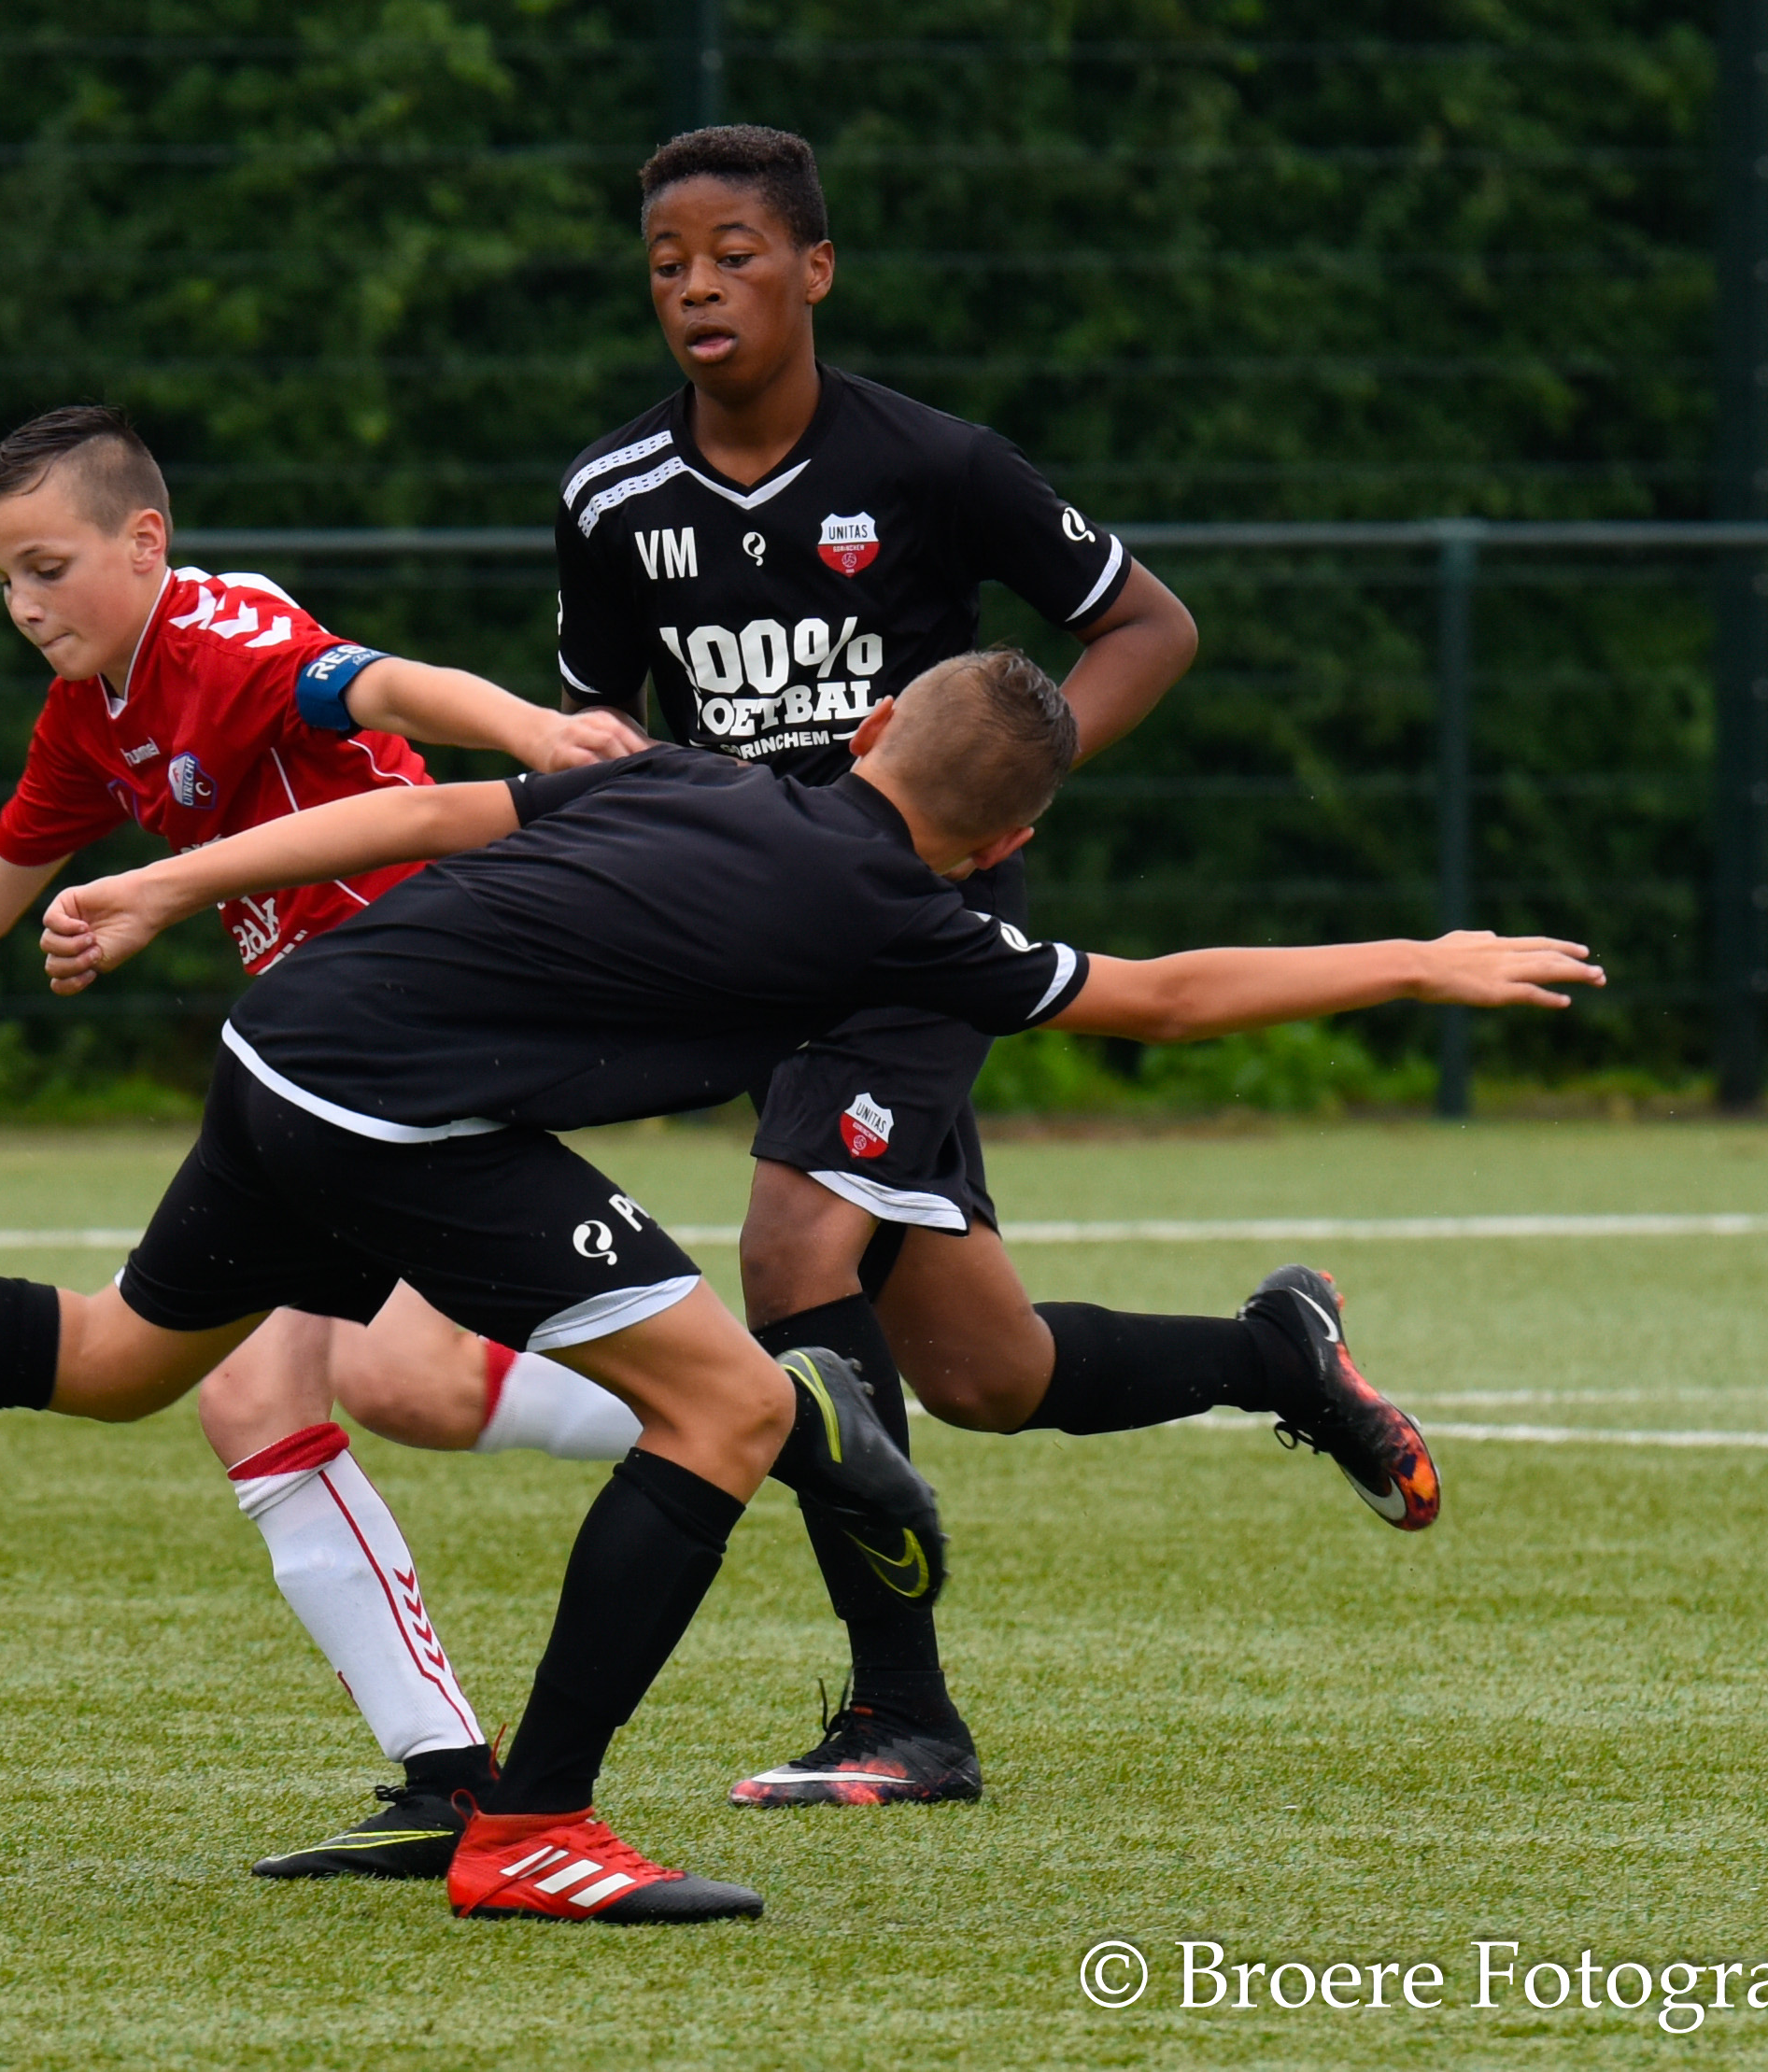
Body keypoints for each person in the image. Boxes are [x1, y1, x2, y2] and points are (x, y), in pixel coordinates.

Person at [0, 646, 1602, 1924]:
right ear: (998, 835)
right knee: (732, 1409)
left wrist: (173, 882)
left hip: (287, 1042)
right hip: (406, 1117)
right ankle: (534, 1828)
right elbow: (1164, 990)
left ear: (874, 734)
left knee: (115, 1359)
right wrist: (1419, 957)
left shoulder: (685, 776)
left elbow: (420, 822)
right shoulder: (910, 921)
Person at [0, 403, 655, 1877]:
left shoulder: (218, 634)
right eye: (1, 579)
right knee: (283, 1393)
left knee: (383, 1378)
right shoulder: (89, 716)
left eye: (47, 568)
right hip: (334, 1054)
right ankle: (450, 1771)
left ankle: (760, 1424)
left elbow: (372, 683)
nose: (24, 605)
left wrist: (533, 735)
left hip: (422, 1007)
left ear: (144, 543)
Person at [557, 125, 1407, 1812]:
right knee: (980, 1372)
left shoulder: (935, 463)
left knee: (791, 1249)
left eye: (734, 254)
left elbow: (1148, 623)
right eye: (666, 264)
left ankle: (904, 1712)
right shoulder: (611, 496)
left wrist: (997, 791)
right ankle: (1273, 1358)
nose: (697, 286)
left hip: (908, 928)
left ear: (813, 269)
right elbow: (595, 722)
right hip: (754, 937)